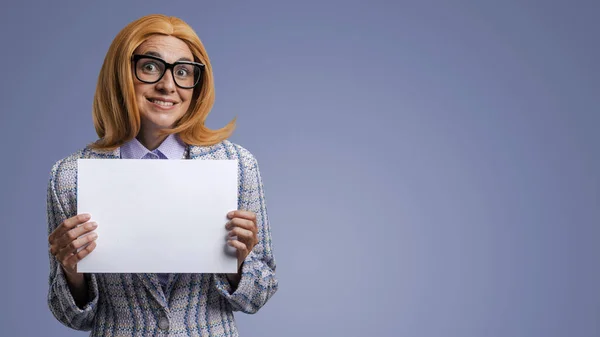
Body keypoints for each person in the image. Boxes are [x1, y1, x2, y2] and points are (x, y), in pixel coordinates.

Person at [46, 14, 278, 336]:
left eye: (183, 72)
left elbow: (260, 294)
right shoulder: (70, 176)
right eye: (150, 67)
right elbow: (74, 318)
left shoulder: (237, 165)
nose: (168, 85)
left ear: (197, 85)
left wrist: (239, 264)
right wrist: (71, 271)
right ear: (121, 75)